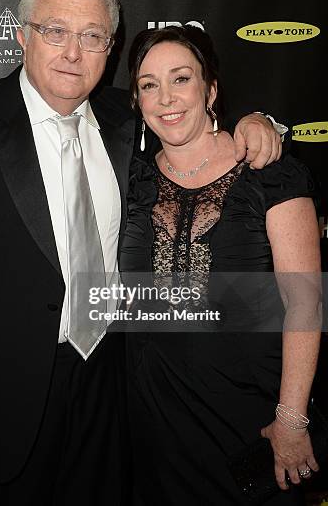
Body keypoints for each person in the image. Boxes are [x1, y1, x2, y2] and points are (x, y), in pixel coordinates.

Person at [0, 0, 281, 506]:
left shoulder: (129, 117)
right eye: (56, 31)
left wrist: (260, 123)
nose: (73, 52)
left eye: (92, 36)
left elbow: (192, 121)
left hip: (113, 390)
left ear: (111, 47)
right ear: (23, 36)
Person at [120, 25, 322, 505]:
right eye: (149, 84)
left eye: (181, 78)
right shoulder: (131, 180)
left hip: (248, 420)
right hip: (153, 427)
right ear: (136, 100)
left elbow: (306, 304)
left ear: (210, 89)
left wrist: (291, 418)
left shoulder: (269, 175)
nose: (166, 98)